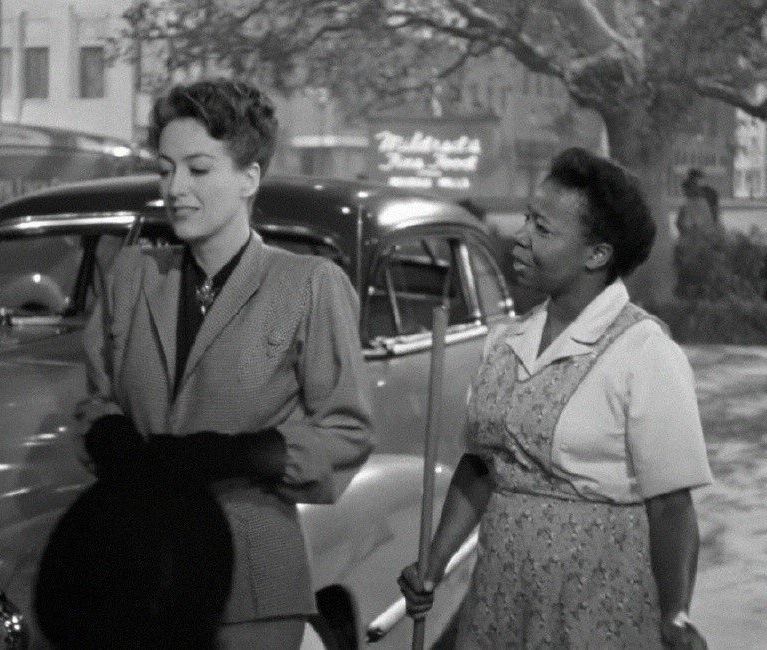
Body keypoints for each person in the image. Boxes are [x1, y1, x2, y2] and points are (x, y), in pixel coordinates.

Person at [60, 78, 375, 649]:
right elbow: (94, 401)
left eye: (198, 169)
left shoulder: (308, 285)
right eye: (165, 168)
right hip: (141, 574)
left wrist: (246, 454)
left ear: (249, 179)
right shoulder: (132, 274)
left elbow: (347, 432)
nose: (175, 187)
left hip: (250, 584)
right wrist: (108, 434)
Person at [399, 147, 712, 649]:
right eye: (527, 220)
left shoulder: (644, 352)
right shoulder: (504, 342)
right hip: (500, 597)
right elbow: (482, 467)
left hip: (599, 605)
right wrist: (433, 563)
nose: (520, 237)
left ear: (597, 254)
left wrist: (675, 614)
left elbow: (672, 506)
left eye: (542, 229)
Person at [677, 168, 718, 236]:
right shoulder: (690, 202)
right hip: (698, 231)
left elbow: (713, 212)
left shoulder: (707, 195)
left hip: (700, 231)